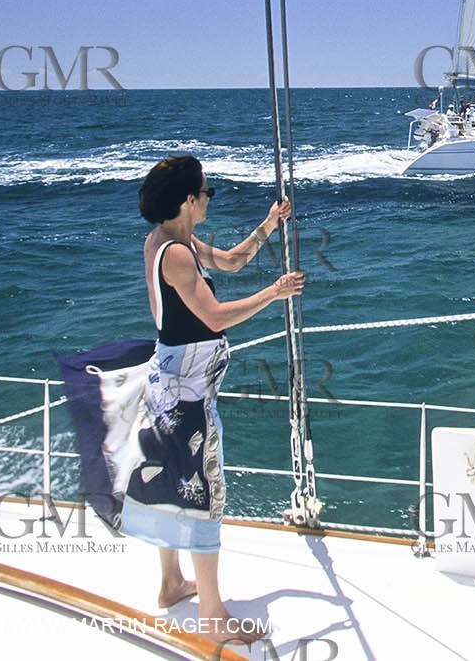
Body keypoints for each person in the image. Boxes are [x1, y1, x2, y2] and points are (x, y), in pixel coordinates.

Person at [126, 154, 304, 645]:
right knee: (202, 491)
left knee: (169, 482)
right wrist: (276, 292)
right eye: (205, 192)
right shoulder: (177, 254)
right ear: (188, 199)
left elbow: (229, 260)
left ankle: (170, 584)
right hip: (187, 392)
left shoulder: (168, 240)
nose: (208, 198)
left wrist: (269, 223)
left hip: (168, 382)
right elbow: (216, 317)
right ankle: (213, 616)